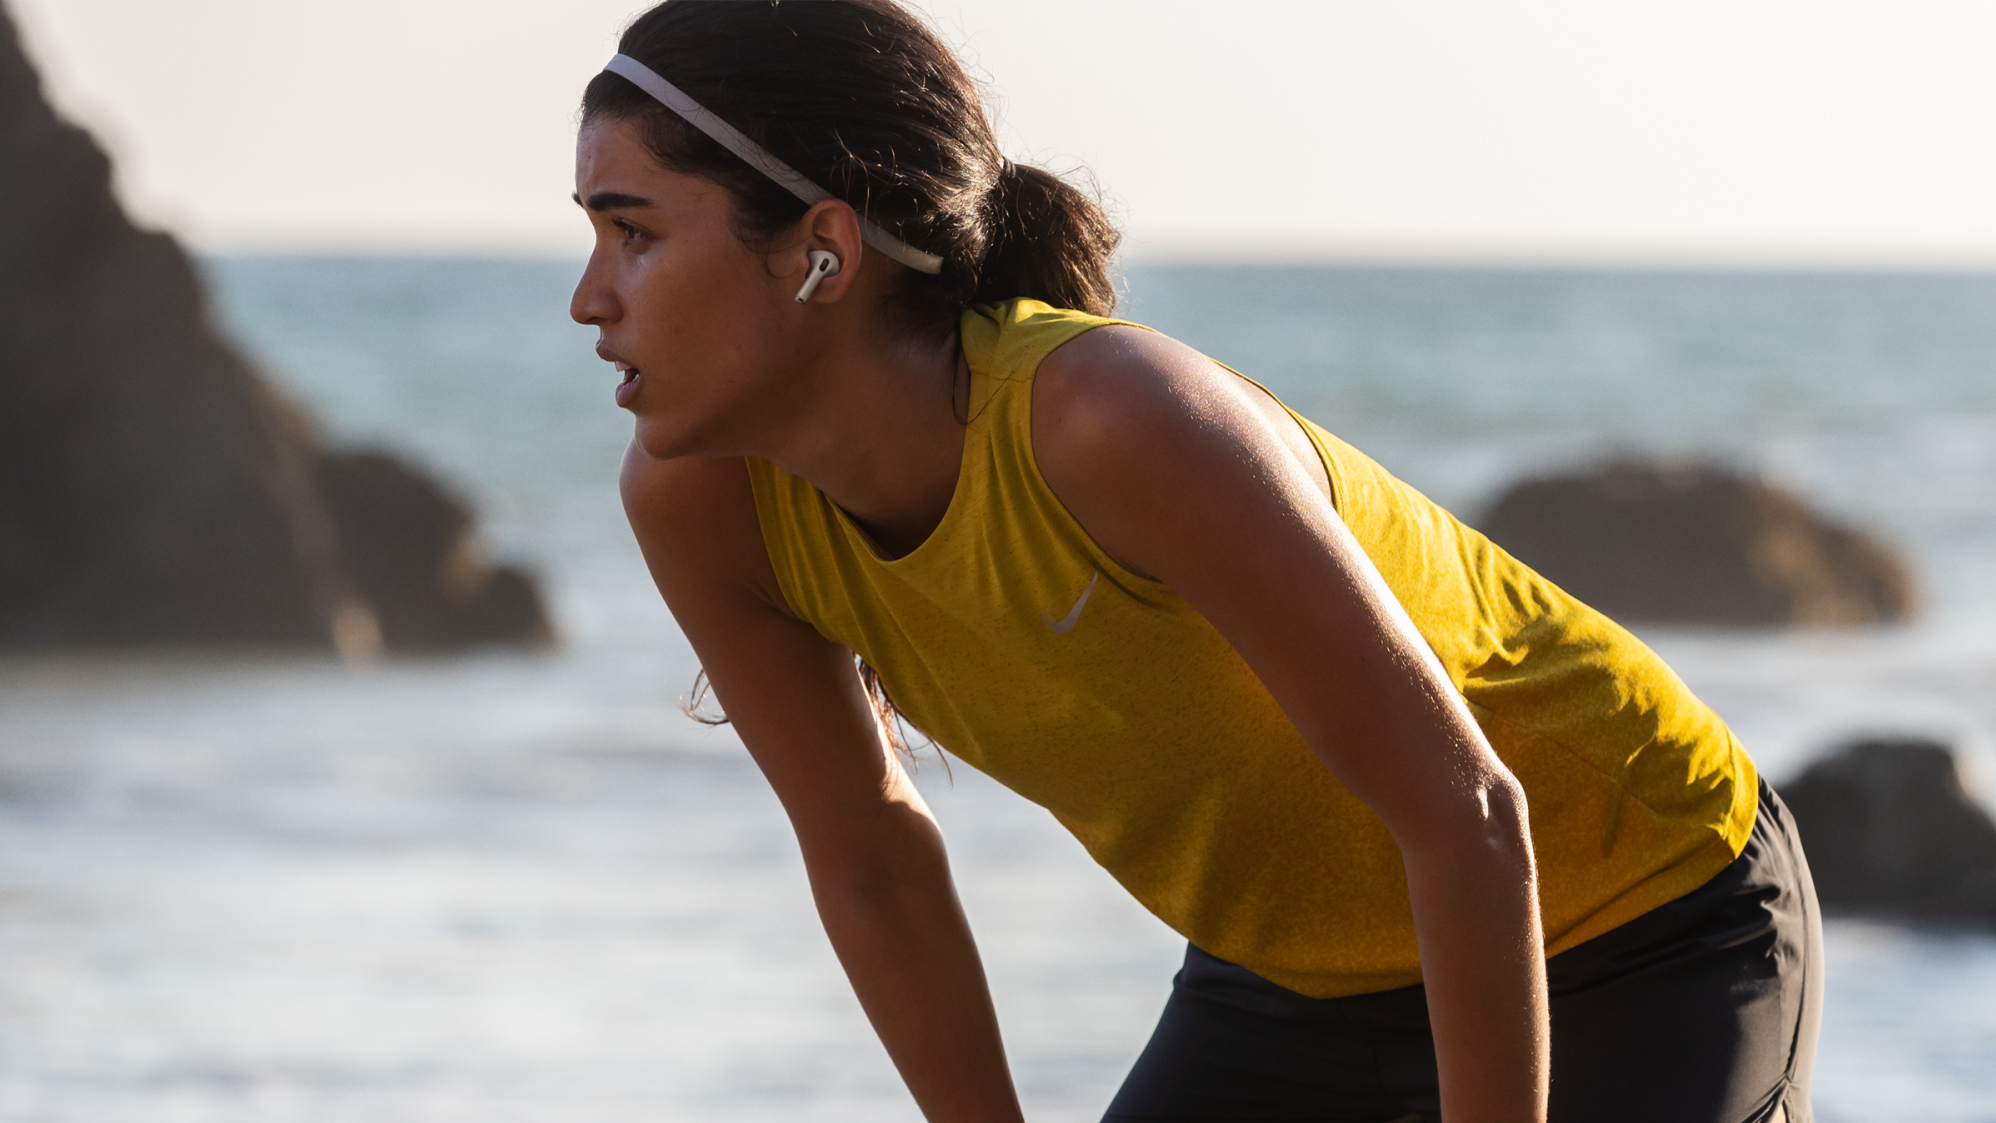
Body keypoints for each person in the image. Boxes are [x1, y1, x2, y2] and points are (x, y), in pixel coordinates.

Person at [568, 3, 1822, 1120]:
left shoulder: (1113, 421)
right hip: (1285, 983)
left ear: (817, 250)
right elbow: (873, 860)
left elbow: (1469, 814)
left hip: (1634, 921)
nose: (587, 297)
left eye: (634, 234)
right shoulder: (700, 501)